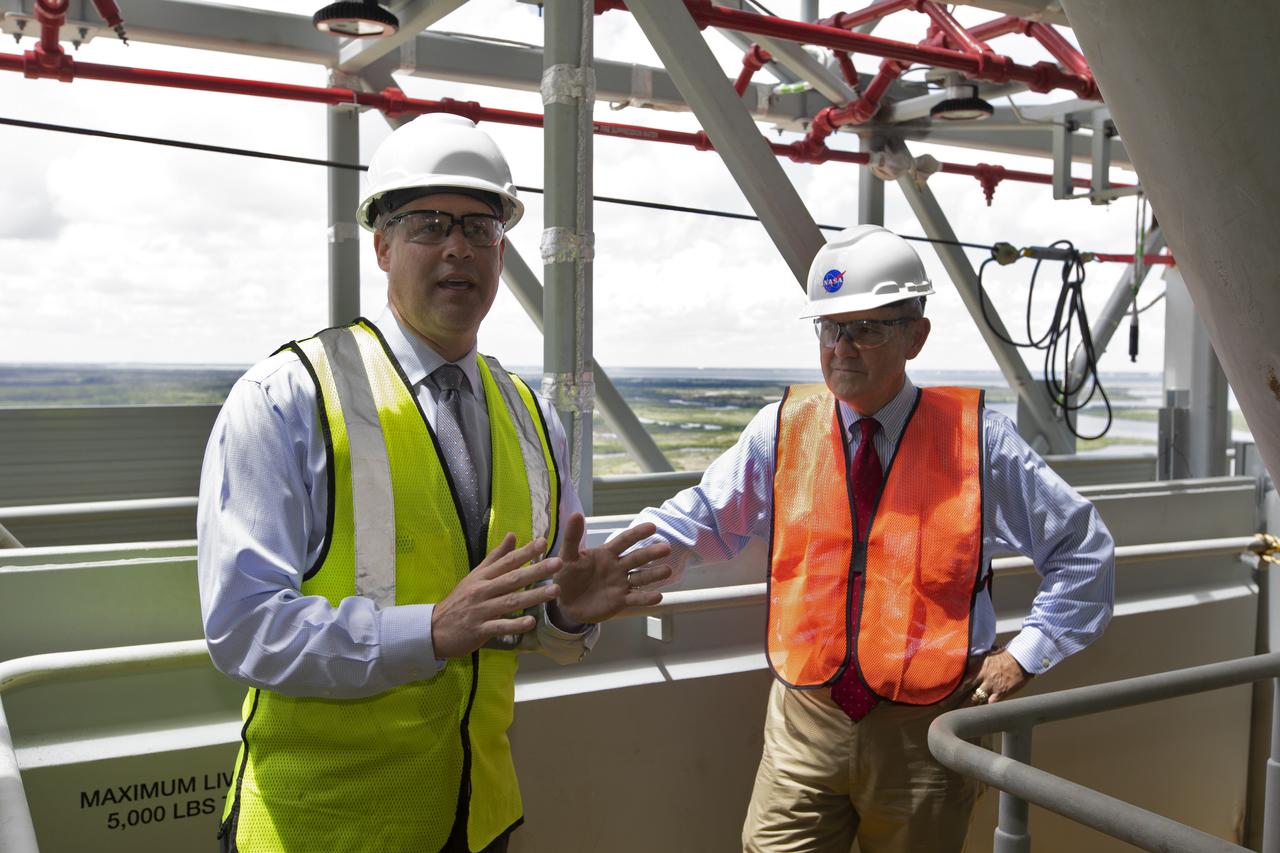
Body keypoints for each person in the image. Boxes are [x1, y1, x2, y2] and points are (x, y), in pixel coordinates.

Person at [196, 113, 670, 853]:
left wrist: (566, 616)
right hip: (322, 830)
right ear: (381, 245)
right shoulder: (289, 396)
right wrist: (429, 630)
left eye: (480, 228)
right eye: (427, 224)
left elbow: (522, 621)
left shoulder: (531, 416)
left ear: (502, 249)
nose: (457, 247)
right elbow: (243, 626)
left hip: (476, 821)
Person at [626, 225, 1115, 853]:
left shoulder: (978, 443)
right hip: (806, 716)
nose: (843, 348)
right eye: (830, 329)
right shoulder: (781, 428)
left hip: (926, 727)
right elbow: (701, 518)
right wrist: (613, 562)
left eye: (868, 328)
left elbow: (1082, 549)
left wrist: (1026, 654)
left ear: (916, 335)